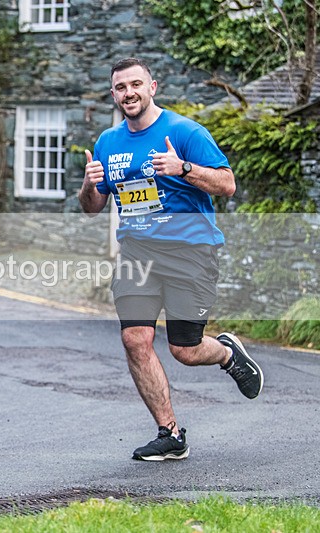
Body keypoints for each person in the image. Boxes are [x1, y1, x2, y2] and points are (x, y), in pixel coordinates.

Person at [78, 57, 264, 461]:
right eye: (120, 88)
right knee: (135, 338)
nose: (128, 93)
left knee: (185, 349)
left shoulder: (184, 131)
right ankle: (170, 434)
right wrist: (90, 185)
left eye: (135, 85)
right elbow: (92, 207)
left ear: (152, 87)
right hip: (137, 253)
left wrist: (183, 168)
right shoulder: (108, 142)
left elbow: (227, 184)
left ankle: (228, 353)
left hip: (189, 252)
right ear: (113, 95)